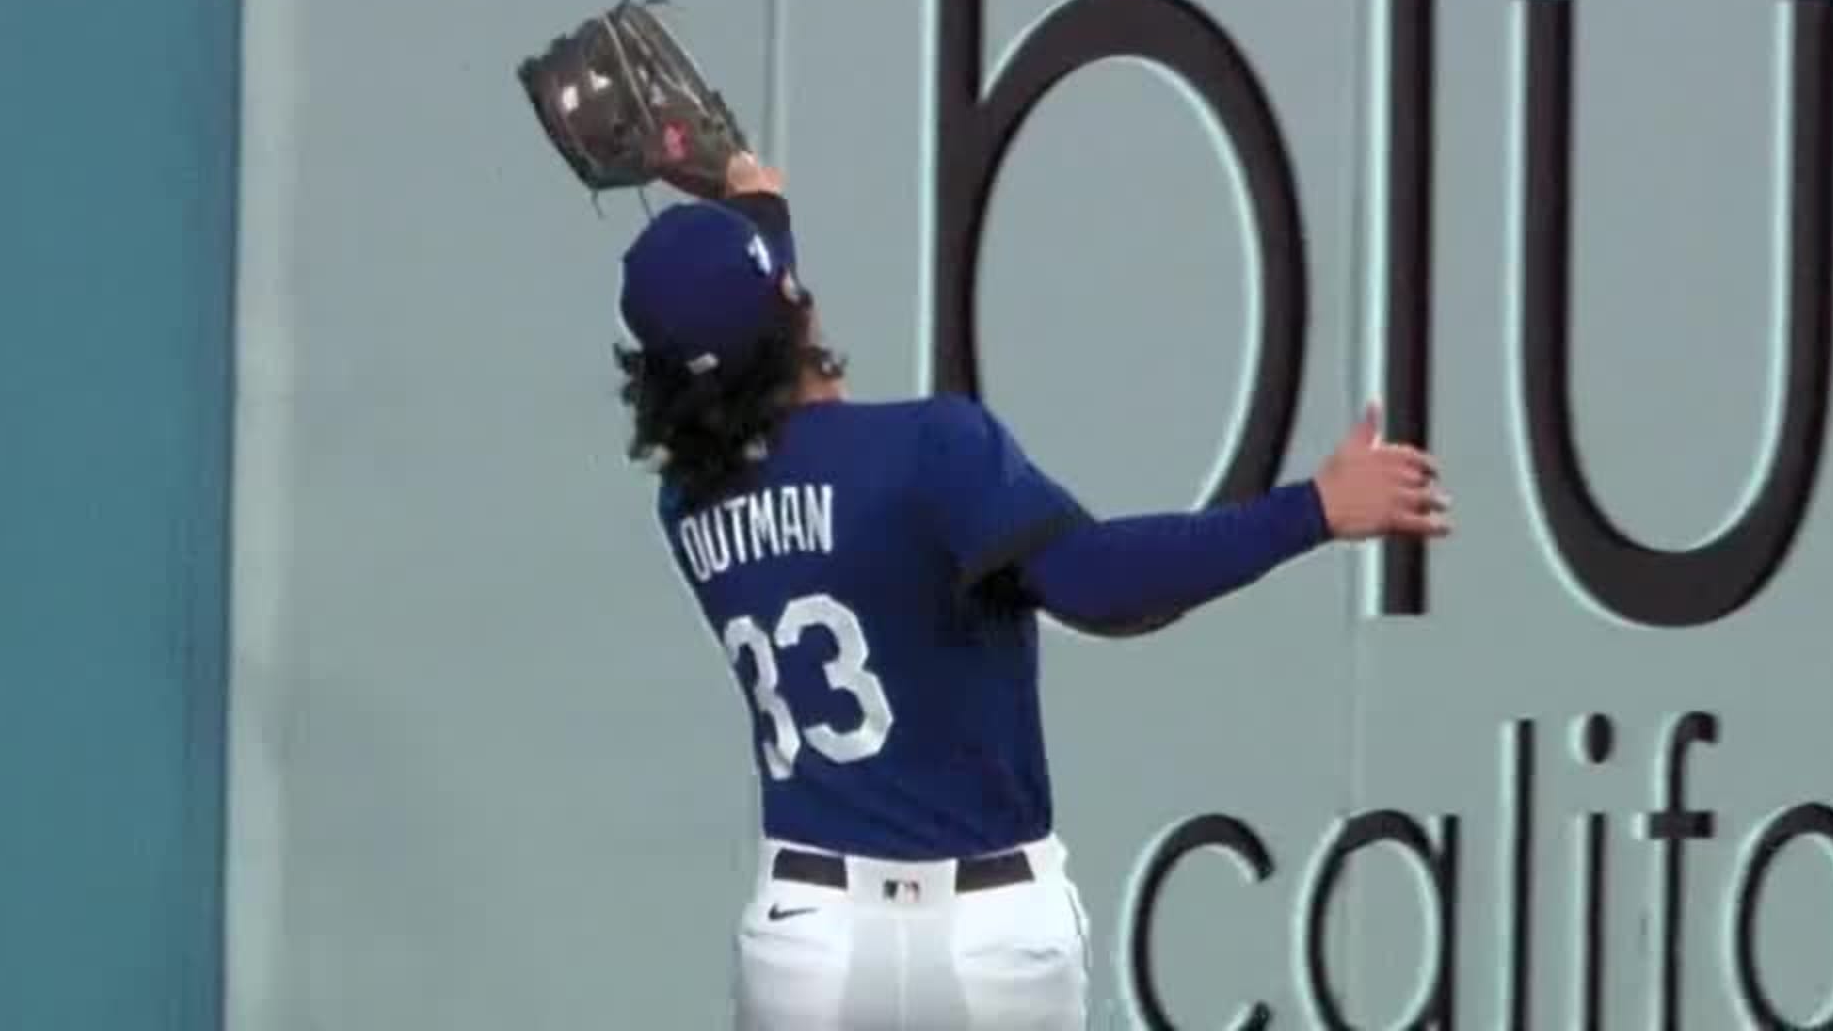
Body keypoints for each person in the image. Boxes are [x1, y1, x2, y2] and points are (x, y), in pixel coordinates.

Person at [611, 152, 1454, 1030]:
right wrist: (1312, 510)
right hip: (986, 933)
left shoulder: (688, 501)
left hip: (809, 938)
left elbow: (753, 363)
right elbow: (1098, 585)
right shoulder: (929, 450)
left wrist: (758, 213)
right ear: (791, 309)